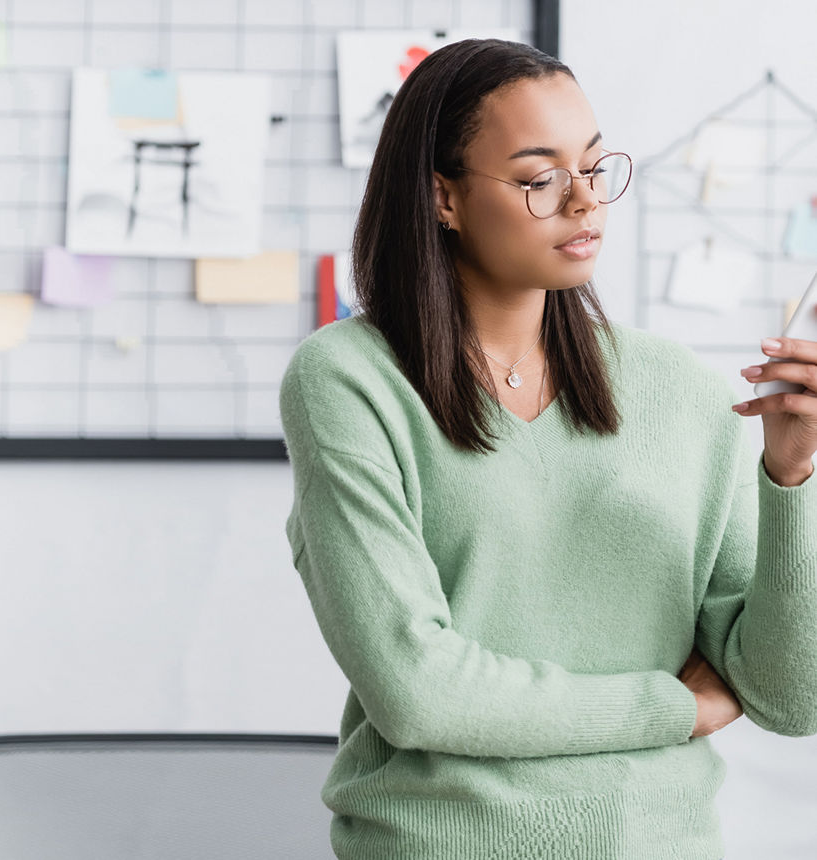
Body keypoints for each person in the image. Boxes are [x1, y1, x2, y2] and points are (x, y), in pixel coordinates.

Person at [278, 38, 817, 860]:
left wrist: (791, 474)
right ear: (444, 198)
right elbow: (417, 691)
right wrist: (672, 708)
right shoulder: (349, 381)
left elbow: (790, 699)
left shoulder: (683, 391)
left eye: (594, 168)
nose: (585, 202)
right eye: (539, 180)